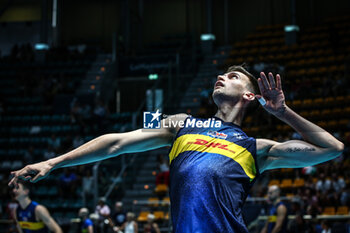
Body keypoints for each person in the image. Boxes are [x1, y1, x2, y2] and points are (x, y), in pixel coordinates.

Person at [9, 66, 344, 232]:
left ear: (249, 96)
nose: (221, 76)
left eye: (232, 76)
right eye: (221, 73)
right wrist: (54, 161)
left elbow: (333, 149)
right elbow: (116, 142)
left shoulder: (256, 148)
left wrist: (283, 113)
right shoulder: (182, 124)